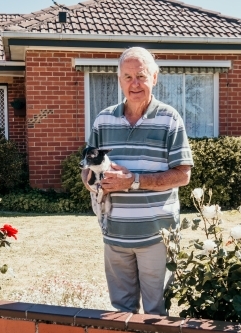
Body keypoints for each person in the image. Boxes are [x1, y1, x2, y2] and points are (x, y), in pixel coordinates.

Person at [81, 47, 194, 315]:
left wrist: (132, 181)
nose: (134, 84)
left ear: (154, 77)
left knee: (156, 313)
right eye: (128, 77)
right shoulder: (103, 119)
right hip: (115, 236)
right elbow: (87, 169)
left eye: (141, 76)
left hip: (156, 237)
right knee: (120, 314)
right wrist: (95, 180)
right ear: (119, 80)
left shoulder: (170, 119)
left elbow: (183, 175)